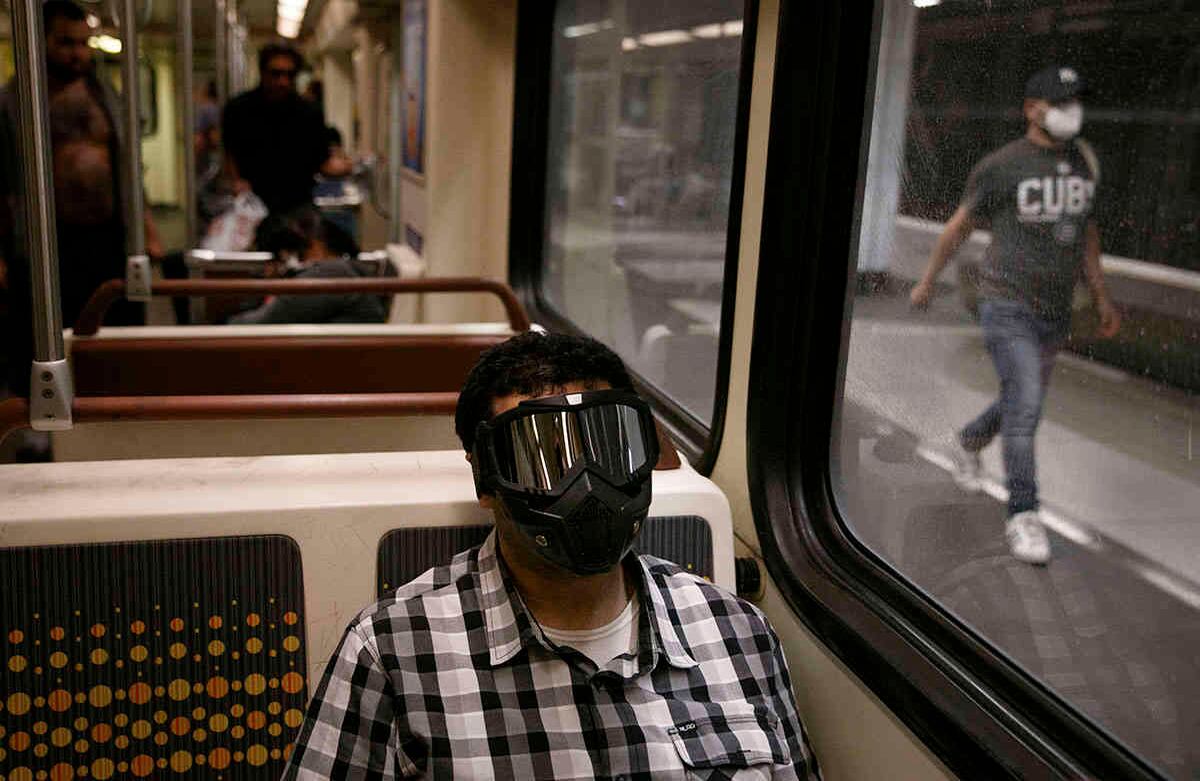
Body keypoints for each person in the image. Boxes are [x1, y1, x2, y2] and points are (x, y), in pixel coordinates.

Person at [282, 331, 822, 779]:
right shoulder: (394, 652)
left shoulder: (737, 631)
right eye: (545, 460)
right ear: (486, 479)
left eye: (608, 450)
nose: (588, 489)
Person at [910, 66, 1121, 565]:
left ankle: (968, 441)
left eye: (1076, 102)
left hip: (1054, 310)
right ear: (1032, 109)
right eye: (1061, 103)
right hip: (1006, 304)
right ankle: (1023, 513)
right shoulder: (1002, 166)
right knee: (1026, 409)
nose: (1072, 112)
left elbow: (1087, 236)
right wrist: (926, 280)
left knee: (1020, 401)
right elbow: (958, 229)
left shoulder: (1082, 162)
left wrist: (1102, 297)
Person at [0, 0, 163, 393]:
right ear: (41, 42)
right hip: (44, 243)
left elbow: (128, 166)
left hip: (107, 236)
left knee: (111, 335)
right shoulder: (15, 102)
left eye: (83, 43)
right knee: (42, 339)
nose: (77, 53)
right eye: (65, 43)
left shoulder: (105, 95)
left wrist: (147, 228)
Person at [226, 208, 386, 324]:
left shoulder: (331, 273)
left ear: (316, 245)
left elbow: (263, 321)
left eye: (295, 251)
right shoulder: (346, 270)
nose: (289, 261)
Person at [221, 44, 328, 216]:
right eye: (276, 74)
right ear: (263, 73)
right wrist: (236, 181)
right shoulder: (238, 109)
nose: (283, 81)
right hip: (252, 203)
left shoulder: (310, 113)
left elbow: (321, 159)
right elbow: (229, 153)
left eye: (289, 75)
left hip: (298, 203)